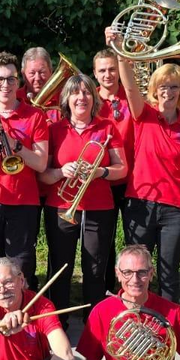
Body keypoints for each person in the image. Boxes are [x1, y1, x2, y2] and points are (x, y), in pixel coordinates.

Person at [111, 37, 180, 301]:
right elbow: (130, 88)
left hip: (176, 208)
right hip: (140, 204)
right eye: (163, 86)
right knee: (136, 271)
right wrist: (121, 53)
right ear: (154, 89)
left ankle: (168, 323)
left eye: (174, 87)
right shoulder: (144, 116)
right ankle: (135, 318)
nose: (168, 92)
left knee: (168, 271)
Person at [38, 73, 126, 325]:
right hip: (61, 206)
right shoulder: (54, 129)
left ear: (94, 98)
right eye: (75, 92)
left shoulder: (107, 128)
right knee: (60, 268)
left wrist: (101, 172)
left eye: (87, 92)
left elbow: (122, 168)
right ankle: (57, 324)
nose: (81, 97)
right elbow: (43, 175)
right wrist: (60, 172)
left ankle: (94, 325)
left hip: (99, 207)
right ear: (67, 98)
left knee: (95, 269)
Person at [0, 52, 49, 288]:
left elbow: (41, 163)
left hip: (24, 201)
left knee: (21, 266)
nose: (5, 85)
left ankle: (22, 310)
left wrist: (17, 146)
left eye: (11, 79)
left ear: (18, 81)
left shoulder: (36, 116)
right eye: (0, 79)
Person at [93, 48, 133, 293]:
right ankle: (106, 288)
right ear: (95, 73)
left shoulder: (131, 96)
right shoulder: (89, 100)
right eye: (102, 70)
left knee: (133, 236)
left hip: (131, 179)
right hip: (101, 180)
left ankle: (134, 285)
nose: (107, 74)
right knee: (103, 239)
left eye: (112, 69)